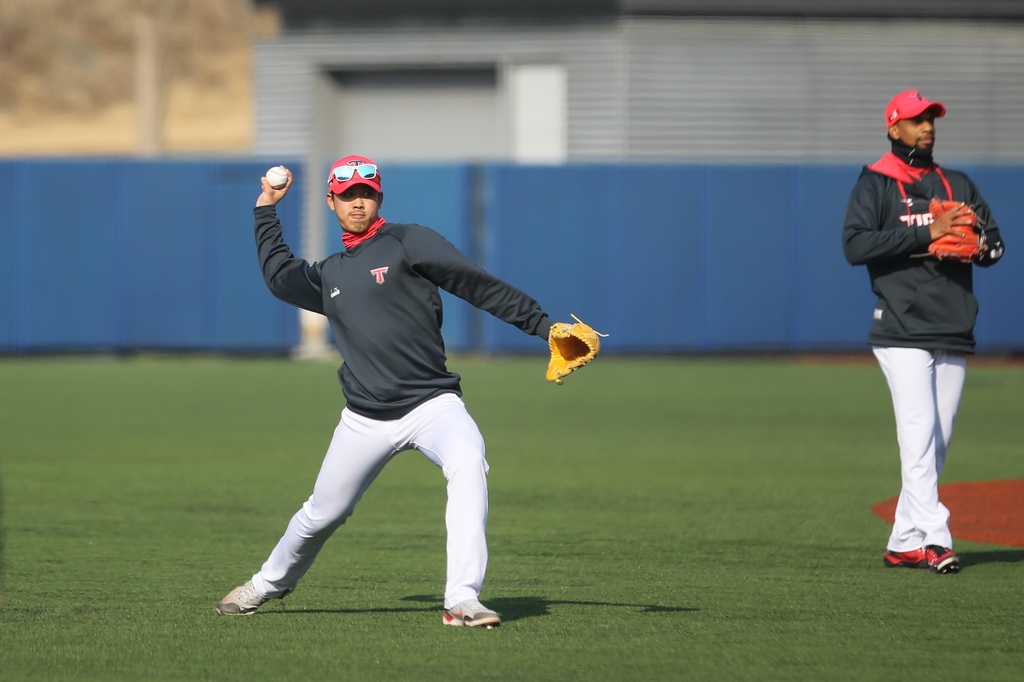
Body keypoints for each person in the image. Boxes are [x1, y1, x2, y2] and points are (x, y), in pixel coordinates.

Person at [217, 155, 561, 627]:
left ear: (379, 198)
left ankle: (462, 598)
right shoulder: (330, 274)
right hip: (364, 418)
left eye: (366, 193)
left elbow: (476, 285)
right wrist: (265, 207)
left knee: (468, 464)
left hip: (432, 404)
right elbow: (280, 276)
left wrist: (542, 326)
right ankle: (265, 584)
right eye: (348, 194)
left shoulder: (408, 241)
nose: (358, 201)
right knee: (322, 514)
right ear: (331, 201)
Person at [842, 90, 1005, 574]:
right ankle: (936, 538)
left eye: (931, 118)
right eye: (916, 120)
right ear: (895, 129)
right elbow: (854, 245)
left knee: (938, 438)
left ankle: (903, 540)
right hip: (899, 325)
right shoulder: (876, 182)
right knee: (917, 431)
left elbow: (995, 246)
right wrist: (927, 234)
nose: (927, 126)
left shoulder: (957, 183)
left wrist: (973, 247)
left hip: (953, 322)